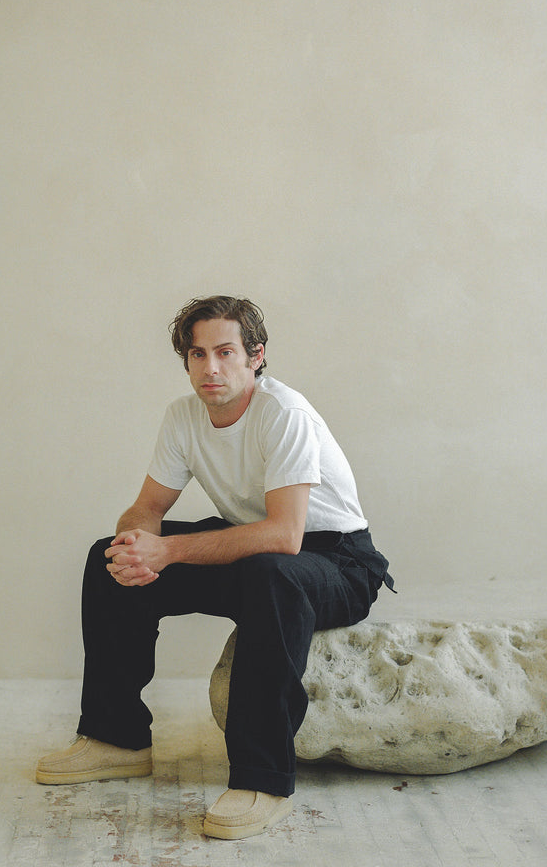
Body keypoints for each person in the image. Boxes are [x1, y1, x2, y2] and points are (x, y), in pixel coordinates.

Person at [36, 296, 394, 839]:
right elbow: (148, 509)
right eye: (198, 354)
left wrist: (171, 552)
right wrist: (137, 544)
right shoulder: (184, 416)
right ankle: (116, 739)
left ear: (256, 356)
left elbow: (284, 535)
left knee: (270, 573)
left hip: (335, 561)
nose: (211, 368)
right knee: (105, 555)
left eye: (226, 352)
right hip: (255, 551)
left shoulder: (285, 413)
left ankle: (263, 780)